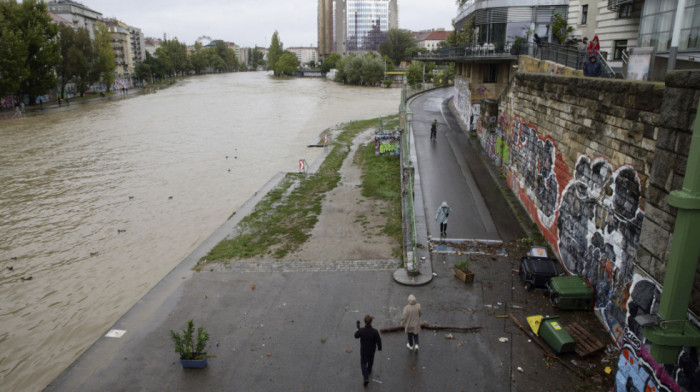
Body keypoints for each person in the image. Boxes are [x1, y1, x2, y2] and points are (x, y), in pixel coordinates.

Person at [354, 314, 382, 387]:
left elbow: (356, 336)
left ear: (364, 322)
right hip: (372, 350)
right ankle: (369, 370)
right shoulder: (375, 331)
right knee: (371, 360)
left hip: (364, 350)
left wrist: (358, 330)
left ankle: (365, 377)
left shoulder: (362, 330)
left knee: (363, 363)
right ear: (371, 322)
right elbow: (378, 340)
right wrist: (379, 348)